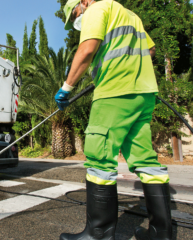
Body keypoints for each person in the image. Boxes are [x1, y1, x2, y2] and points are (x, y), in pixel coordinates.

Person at [55, 0, 172, 239]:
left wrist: (66, 87)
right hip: (144, 94)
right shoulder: (131, 16)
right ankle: (161, 234)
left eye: (76, 14)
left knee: (100, 157)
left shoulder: (97, 9)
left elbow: (87, 49)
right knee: (145, 159)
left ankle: (98, 235)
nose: (77, 20)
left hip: (115, 91)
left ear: (83, 2)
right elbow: (150, 50)